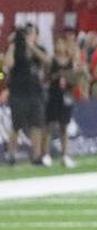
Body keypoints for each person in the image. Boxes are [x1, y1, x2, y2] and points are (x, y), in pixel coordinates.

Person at [3, 25, 50, 166]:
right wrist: (13, 45)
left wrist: (31, 47)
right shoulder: (16, 50)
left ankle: (36, 155)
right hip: (18, 93)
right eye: (26, 34)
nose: (28, 36)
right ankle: (11, 154)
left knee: (36, 125)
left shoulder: (39, 49)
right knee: (16, 125)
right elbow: (7, 64)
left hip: (35, 92)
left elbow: (47, 61)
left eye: (31, 33)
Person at [44, 34, 82, 168]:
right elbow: (46, 78)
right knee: (49, 125)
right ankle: (46, 154)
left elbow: (75, 80)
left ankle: (65, 155)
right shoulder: (51, 60)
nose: (60, 46)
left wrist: (72, 74)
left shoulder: (71, 61)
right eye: (57, 44)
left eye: (62, 43)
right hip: (53, 95)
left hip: (66, 96)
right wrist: (57, 75)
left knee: (64, 127)